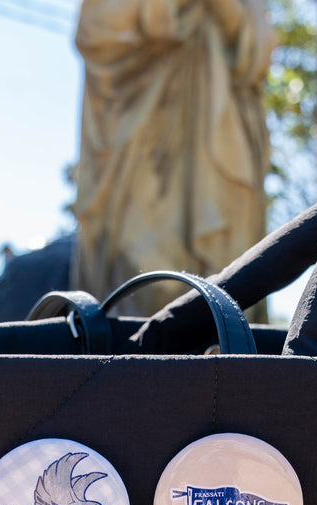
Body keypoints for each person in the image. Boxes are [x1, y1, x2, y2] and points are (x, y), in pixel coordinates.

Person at [72, 0, 274, 316]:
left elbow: (259, 47)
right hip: (145, 134)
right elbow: (97, 30)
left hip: (222, 143)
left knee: (229, 285)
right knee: (147, 280)